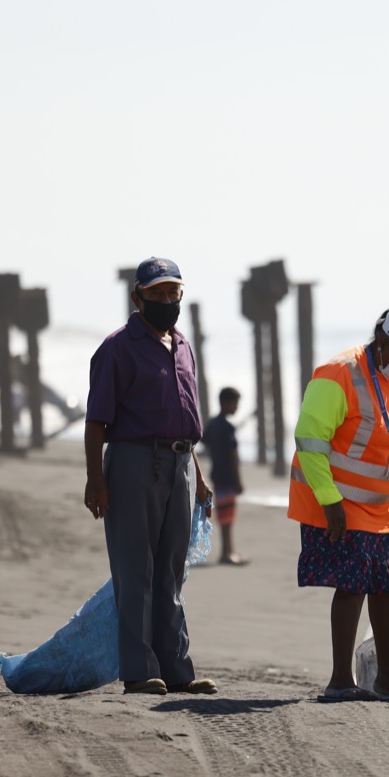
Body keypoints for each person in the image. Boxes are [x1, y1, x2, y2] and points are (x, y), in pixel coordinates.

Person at [83, 257, 217, 697]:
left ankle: (176, 669)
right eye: (156, 293)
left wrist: (197, 476)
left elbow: (184, 419)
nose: (166, 301)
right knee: (135, 568)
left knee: (171, 572)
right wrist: (95, 480)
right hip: (132, 463)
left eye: (172, 293)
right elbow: (97, 422)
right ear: (137, 296)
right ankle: (139, 671)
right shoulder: (117, 348)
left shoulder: (182, 345)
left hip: (179, 465)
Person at [288, 306, 389, 704]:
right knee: (352, 584)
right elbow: (310, 439)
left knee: (386, 585)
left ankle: (386, 679)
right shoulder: (339, 373)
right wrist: (329, 500)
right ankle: (340, 679)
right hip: (339, 500)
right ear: (384, 344)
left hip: (379, 505)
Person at [202, 387, 246, 565]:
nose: (237, 407)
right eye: (235, 403)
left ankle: (228, 551)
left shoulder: (213, 424)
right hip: (227, 476)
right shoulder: (227, 427)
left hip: (216, 474)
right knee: (228, 515)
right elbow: (232, 455)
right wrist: (238, 481)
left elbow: (204, 439)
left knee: (224, 514)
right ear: (225, 403)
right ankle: (226, 553)